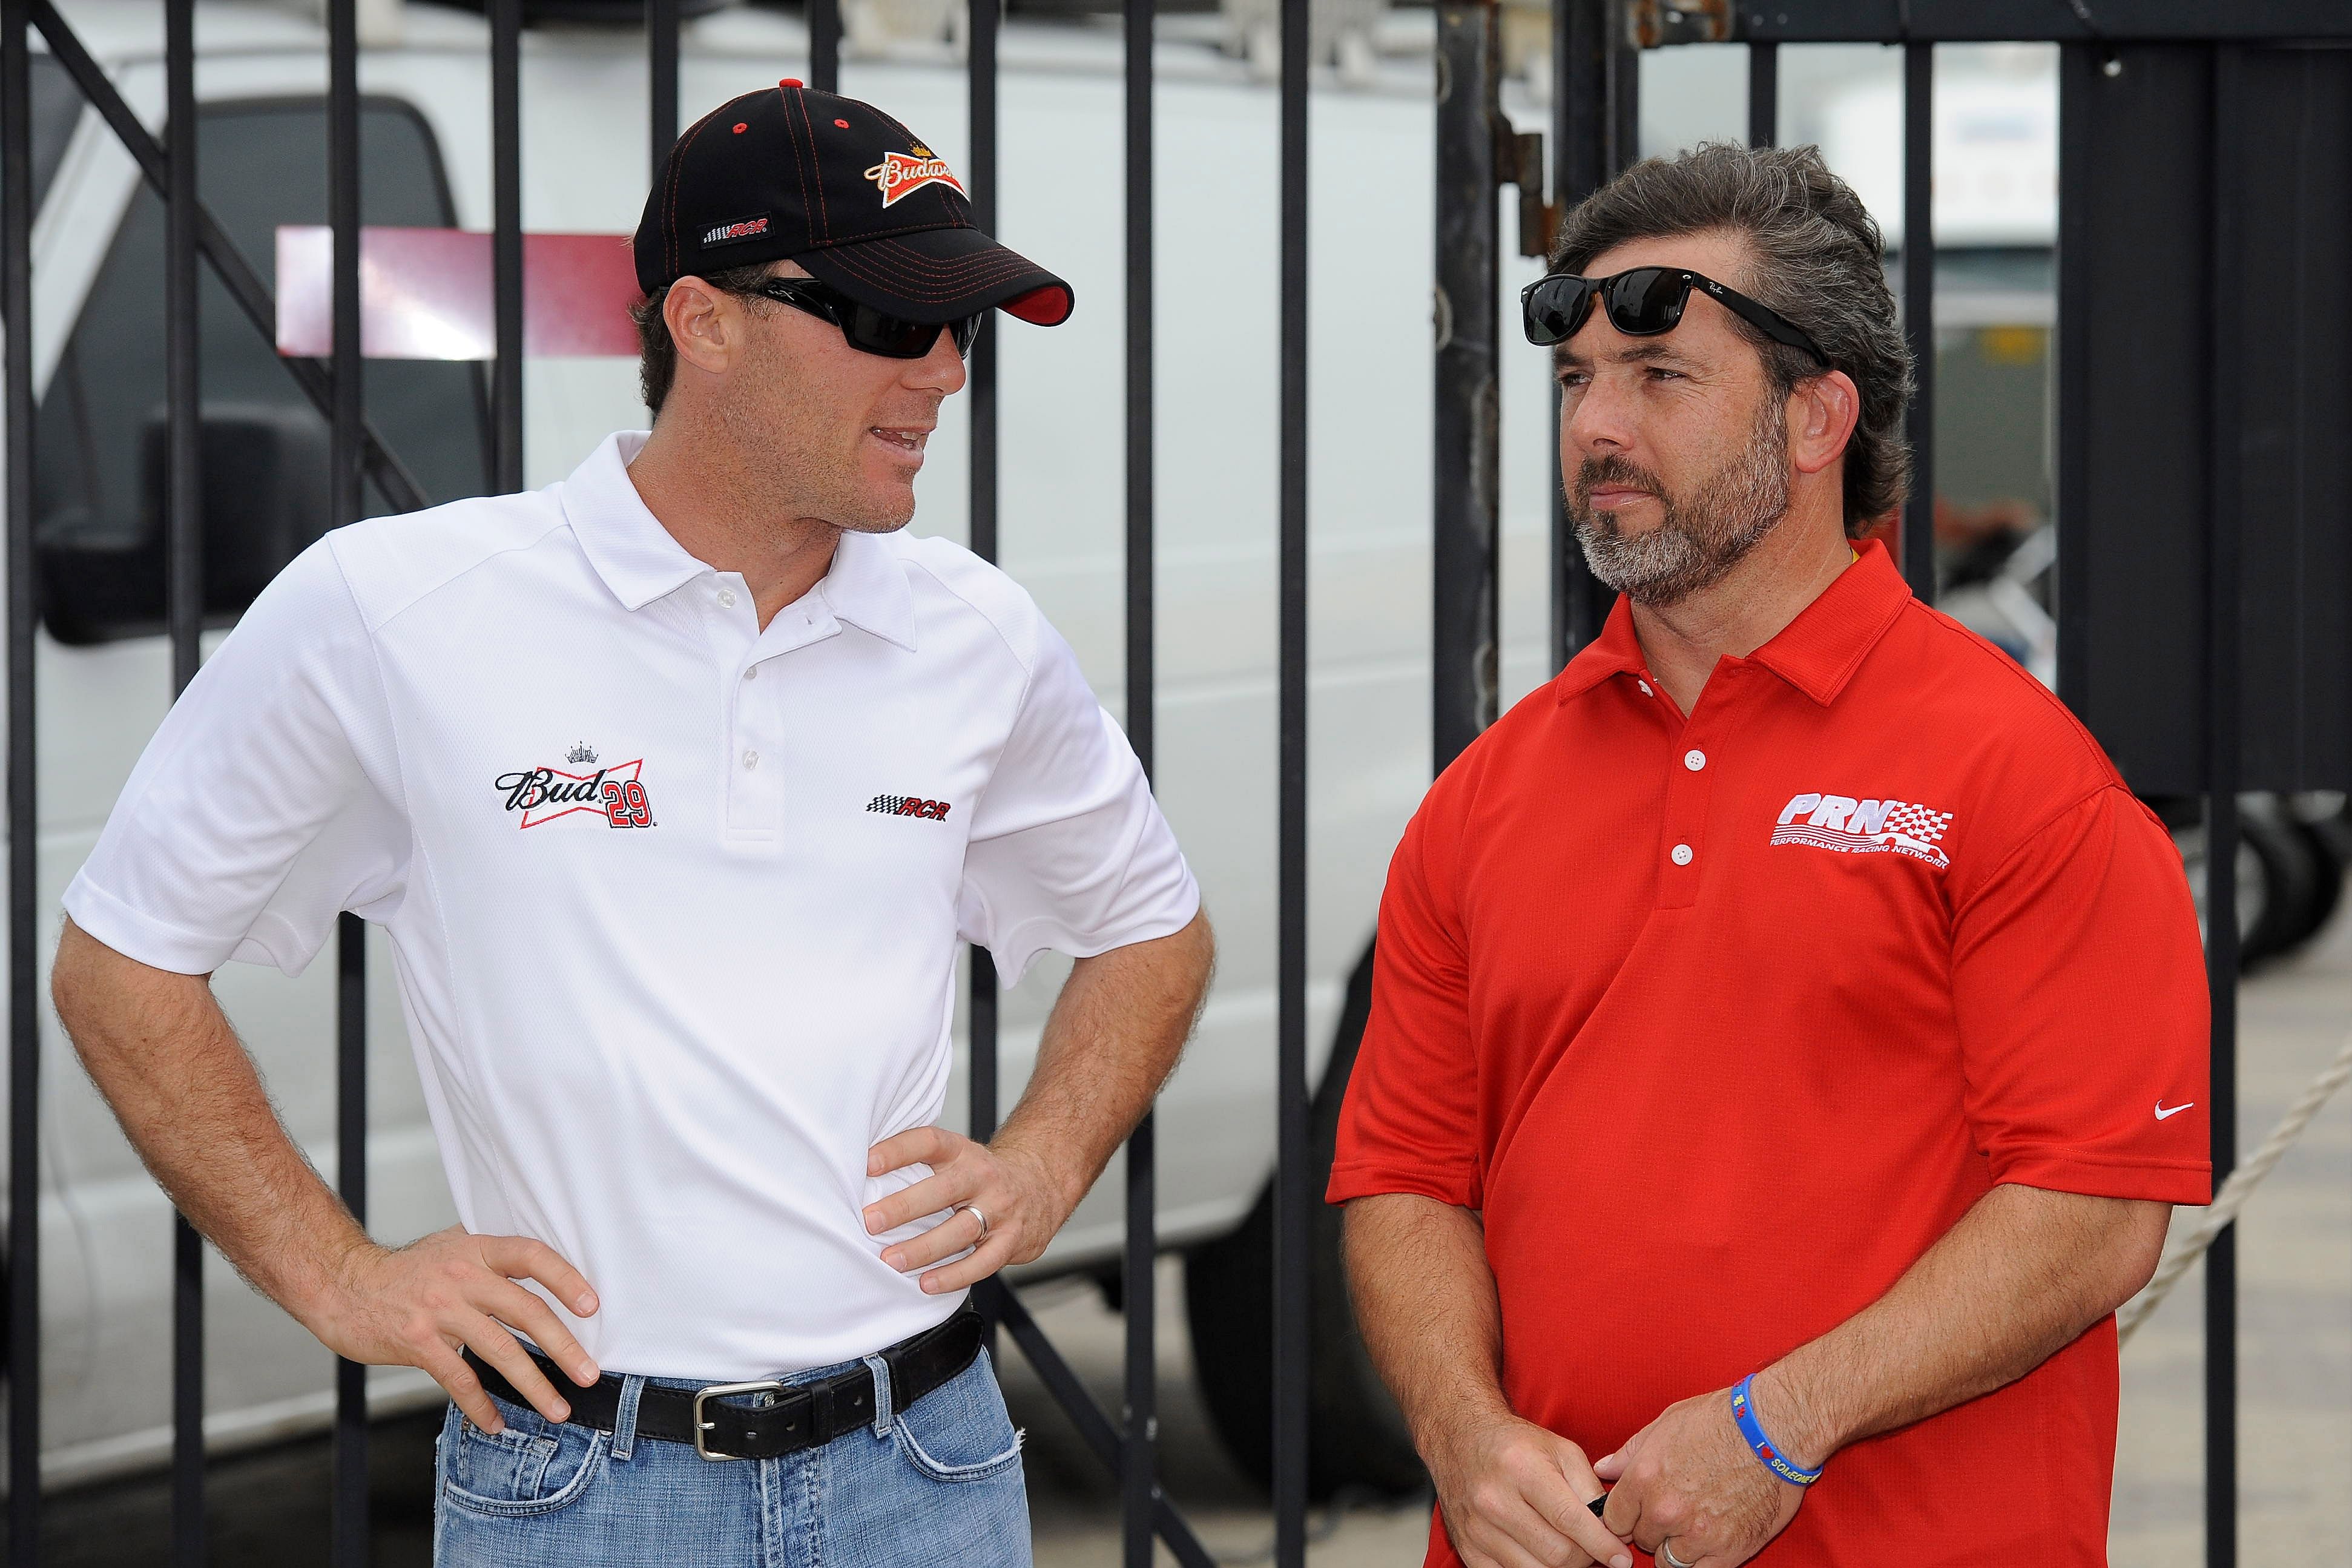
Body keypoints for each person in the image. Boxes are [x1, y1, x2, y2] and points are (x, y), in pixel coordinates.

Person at [52, 81, 1213, 1566]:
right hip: (585, 1492)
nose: (939, 371)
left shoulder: (976, 632)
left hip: (927, 1466)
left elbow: (1150, 930)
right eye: (888, 320)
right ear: (703, 320)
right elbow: (121, 962)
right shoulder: (391, 607)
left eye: (960, 328)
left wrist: (1045, 1160)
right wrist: (339, 1275)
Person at [1329, 143, 2209, 1568]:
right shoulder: (1485, 796)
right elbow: (1404, 1179)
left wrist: (1776, 1422)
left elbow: (2095, 1205)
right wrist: (1460, 1432)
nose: (1596, 427)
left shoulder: (2017, 774)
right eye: (1574, 383)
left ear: (1814, 419)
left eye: (1658, 375)